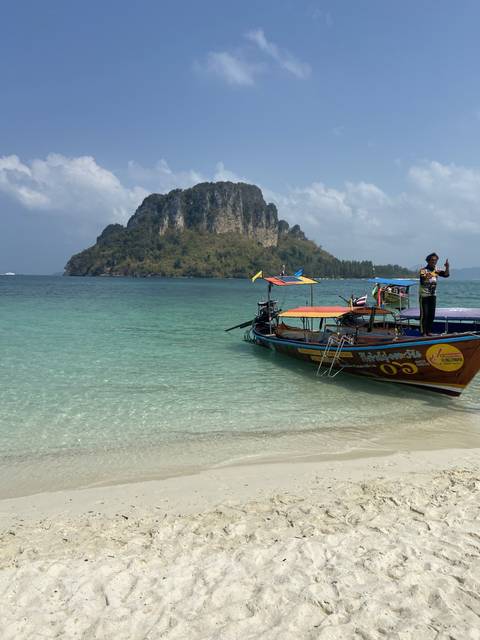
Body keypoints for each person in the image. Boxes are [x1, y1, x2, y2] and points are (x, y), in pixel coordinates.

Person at [419, 253, 449, 335]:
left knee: (431, 315)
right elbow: (422, 281)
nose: (434, 261)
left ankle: (428, 331)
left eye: (435, 260)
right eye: (432, 260)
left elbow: (446, 275)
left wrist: (447, 267)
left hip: (433, 296)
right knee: (425, 315)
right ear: (428, 261)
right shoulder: (423, 270)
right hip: (424, 296)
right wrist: (427, 276)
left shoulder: (436, 270)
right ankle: (423, 332)